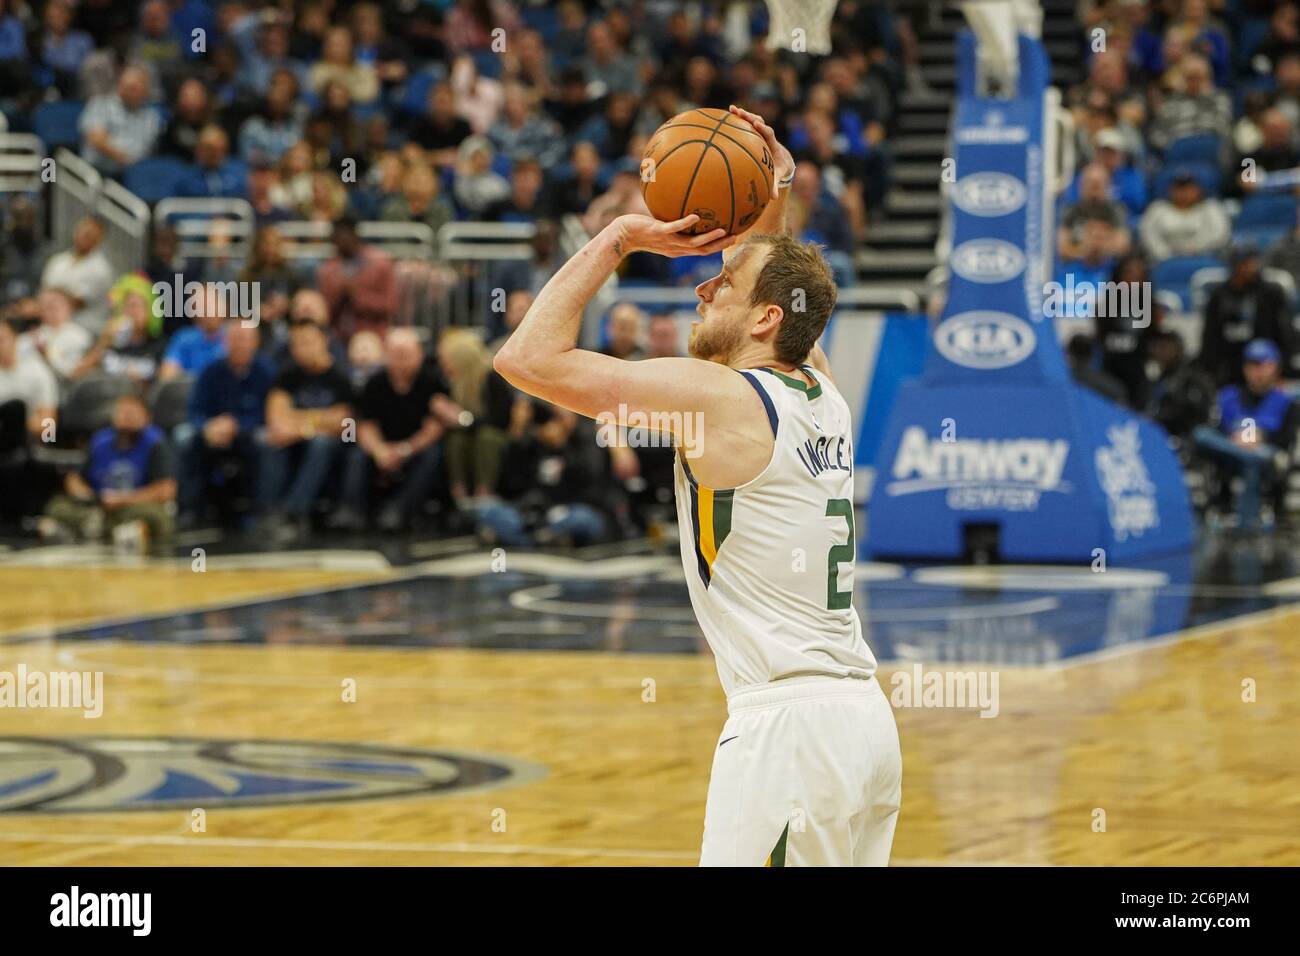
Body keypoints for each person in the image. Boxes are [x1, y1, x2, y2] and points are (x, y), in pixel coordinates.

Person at [493, 105, 900, 866]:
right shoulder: (822, 389)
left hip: (791, 740)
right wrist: (770, 181)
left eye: (724, 282)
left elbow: (527, 359)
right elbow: (773, 266)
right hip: (860, 727)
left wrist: (617, 236)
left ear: (765, 318)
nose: (703, 285)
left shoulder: (720, 401)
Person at [331, 328, 453, 532]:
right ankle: (352, 510)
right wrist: (379, 450)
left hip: (416, 446)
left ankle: (400, 510)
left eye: (405, 355)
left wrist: (406, 449)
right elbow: (365, 424)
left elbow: (435, 427)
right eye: (395, 355)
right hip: (382, 444)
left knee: (433, 456)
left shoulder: (432, 381)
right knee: (356, 455)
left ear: (419, 355)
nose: (400, 362)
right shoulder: (375, 383)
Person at [258, 320, 354, 541]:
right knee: (268, 440)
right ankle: (270, 511)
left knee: (321, 443)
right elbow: (276, 416)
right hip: (296, 438)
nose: (302, 349)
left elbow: (344, 422)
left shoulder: (340, 375)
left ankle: (294, 512)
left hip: (339, 443)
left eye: (308, 342)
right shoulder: (287, 374)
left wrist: (301, 426)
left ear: (324, 341)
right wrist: (318, 421)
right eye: (297, 344)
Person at [41, 392, 176, 545]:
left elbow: (166, 490)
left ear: (146, 417)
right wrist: (88, 496)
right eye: (122, 412)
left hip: (132, 505)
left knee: (155, 515)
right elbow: (74, 479)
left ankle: (91, 529)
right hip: (98, 506)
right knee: (57, 506)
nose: (126, 417)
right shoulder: (100, 440)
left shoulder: (155, 443)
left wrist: (124, 499)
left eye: (132, 413)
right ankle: (111, 530)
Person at [1192, 339, 1298, 528]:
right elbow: (1215, 431)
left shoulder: (1285, 400)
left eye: (1263, 365)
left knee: (1257, 461)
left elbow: (1286, 440)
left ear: (1275, 367)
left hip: (1266, 457)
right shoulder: (1228, 396)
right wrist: (1237, 443)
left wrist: (1262, 437)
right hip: (1230, 453)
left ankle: (1245, 529)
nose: (1257, 371)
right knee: (1201, 434)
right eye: (1252, 365)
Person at [177, 321, 276, 525]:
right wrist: (208, 426)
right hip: (214, 432)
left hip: (250, 431)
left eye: (244, 339)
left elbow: (270, 413)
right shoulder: (211, 371)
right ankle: (190, 508)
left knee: (266, 441)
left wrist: (237, 426)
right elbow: (195, 410)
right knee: (185, 437)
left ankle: (264, 510)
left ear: (255, 342)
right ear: (225, 342)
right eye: (234, 339)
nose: (239, 344)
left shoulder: (267, 372)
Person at [437, 329, 514, 507]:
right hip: (469, 434)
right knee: (456, 440)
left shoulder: (492, 378)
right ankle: (459, 494)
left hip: (495, 435)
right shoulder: (452, 382)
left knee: (486, 437)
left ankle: (484, 493)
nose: (445, 365)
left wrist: (464, 419)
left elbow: (499, 420)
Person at [1200, 243, 1294, 385]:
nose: (1252, 266)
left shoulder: (1271, 294)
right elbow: (1210, 339)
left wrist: (1283, 371)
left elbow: (1285, 336)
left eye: (1253, 261)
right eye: (1246, 262)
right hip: (1229, 370)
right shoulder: (1219, 296)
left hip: (1266, 367)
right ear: (1235, 265)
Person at [39, 217, 115, 335]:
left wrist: (53, 295)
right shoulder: (58, 261)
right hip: (50, 324)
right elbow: (44, 293)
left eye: (89, 234)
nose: (83, 236)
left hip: (84, 328)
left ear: (99, 239)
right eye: (81, 231)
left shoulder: (101, 269)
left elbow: (74, 303)